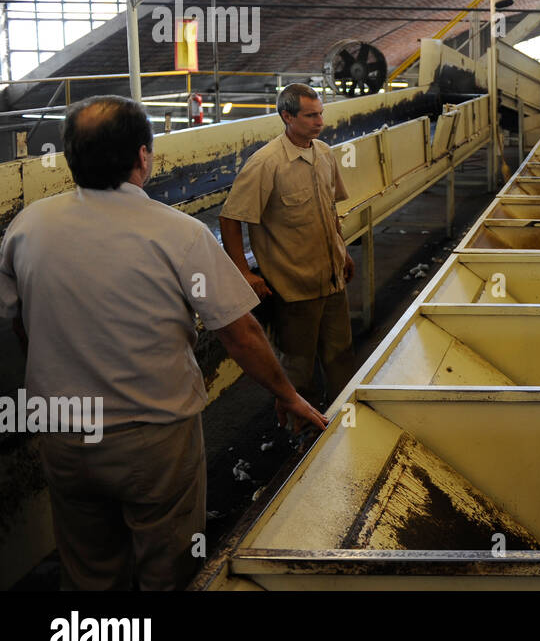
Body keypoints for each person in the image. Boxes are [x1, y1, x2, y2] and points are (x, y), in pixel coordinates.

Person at [0, 95, 326, 591]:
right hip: (152, 437)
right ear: (143, 157)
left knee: (88, 568)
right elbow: (239, 334)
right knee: (167, 566)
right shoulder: (179, 234)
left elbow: (19, 319)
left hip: (63, 435)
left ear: (69, 157)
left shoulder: (27, 227)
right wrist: (287, 394)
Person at [220, 83, 355, 410]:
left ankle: (343, 422)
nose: (319, 121)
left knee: (341, 358)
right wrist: (243, 272)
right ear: (286, 116)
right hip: (294, 289)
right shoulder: (267, 163)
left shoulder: (323, 153)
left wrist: (343, 251)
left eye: (320, 113)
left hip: (333, 281)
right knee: (298, 369)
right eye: (310, 116)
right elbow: (230, 218)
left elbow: (329, 209)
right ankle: (302, 436)